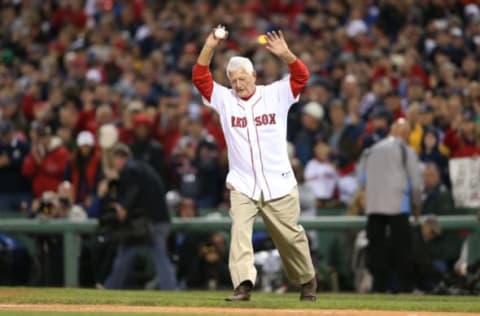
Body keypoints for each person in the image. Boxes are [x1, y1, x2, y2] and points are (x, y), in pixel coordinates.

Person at [192, 26, 316, 301]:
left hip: (279, 181)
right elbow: (200, 78)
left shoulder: (275, 94)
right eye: (233, 79)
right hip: (243, 182)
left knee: (290, 238)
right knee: (239, 231)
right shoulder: (225, 100)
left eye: (243, 78)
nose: (238, 84)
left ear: (254, 75)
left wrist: (286, 54)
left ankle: (307, 279)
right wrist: (210, 46)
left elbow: (301, 76)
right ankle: (243, 285)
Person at [358, 119, 422, 293]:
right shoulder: (405, 150)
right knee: (403, 249)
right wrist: (417, 205)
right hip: (398, 206)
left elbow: (361, 180)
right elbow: (416, 182)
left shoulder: (370, 150)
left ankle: (379, 288)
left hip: (374, 207)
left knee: (376, 250)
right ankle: (406, 288)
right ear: (405, 134)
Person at [103, 144, 177, 290]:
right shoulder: (140, 168)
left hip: (152, 223)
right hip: (154, 221)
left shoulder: (130, 169)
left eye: (117, 158)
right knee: (127, 252)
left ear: (122, 159)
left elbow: (133, 190)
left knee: (156, 254)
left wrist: (123, 208)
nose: (115, 163)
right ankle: (111, 286)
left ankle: (170, 288)